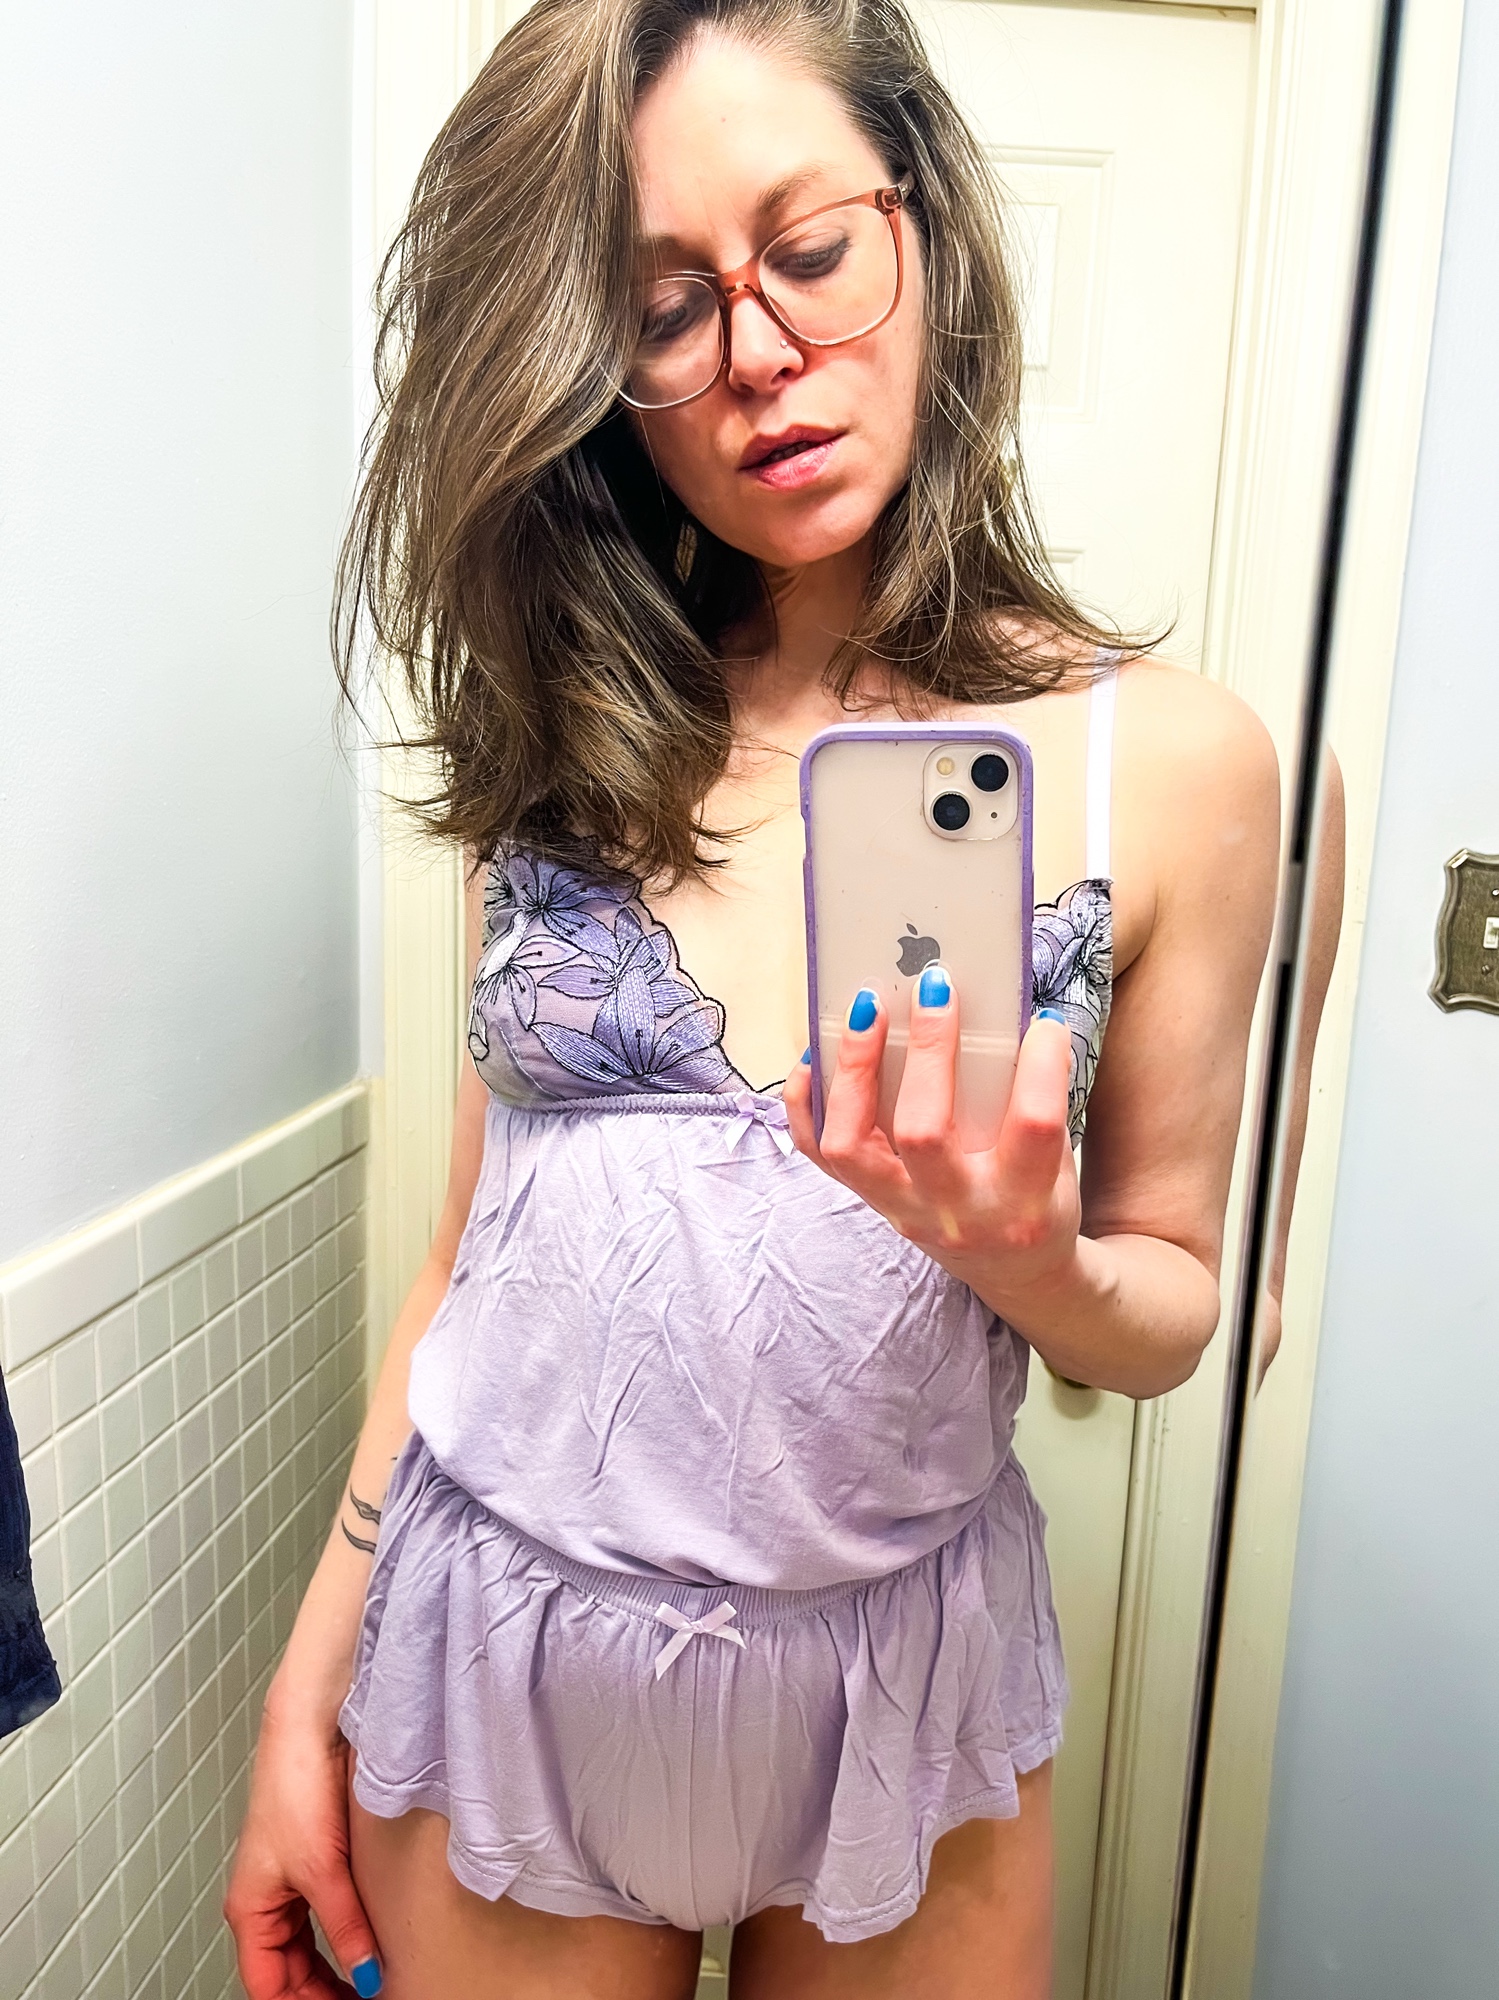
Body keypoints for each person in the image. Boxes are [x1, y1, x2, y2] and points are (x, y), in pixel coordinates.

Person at [225, 0, 1279, 1992]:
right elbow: (463, 1261)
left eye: (808, 251)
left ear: (926, 229)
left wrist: (1030, 1259)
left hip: (908, 1689)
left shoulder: (1173, 768)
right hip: (504, 1657)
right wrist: (303, 1697)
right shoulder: (563, 733)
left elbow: (1170, 1306)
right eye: (664, 308)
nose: (761, 354)